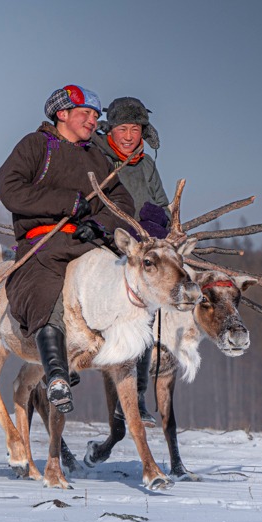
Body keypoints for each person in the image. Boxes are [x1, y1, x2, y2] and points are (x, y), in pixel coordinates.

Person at [0, 84, 137, 414]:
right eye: (85, 113)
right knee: (43, 286)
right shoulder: (35, 146)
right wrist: (65, 203)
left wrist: (99, 225)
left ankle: (133, 370)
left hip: (89, 243)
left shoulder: (96, 158)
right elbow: (11, 187)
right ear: (62, 114)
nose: (93, 120)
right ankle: (57, 374)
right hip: (43, 243)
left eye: (95, 115)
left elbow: (122, 202)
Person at [91, 96, 170, 426]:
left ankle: (136, 395)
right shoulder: (95, 156)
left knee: (142, 322)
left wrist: (159, 221)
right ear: (110, 129)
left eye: (135, 129)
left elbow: (164, 207)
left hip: (141, 257)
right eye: (122, 128)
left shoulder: (147, 166)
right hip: (102, 247)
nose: (128, 136)